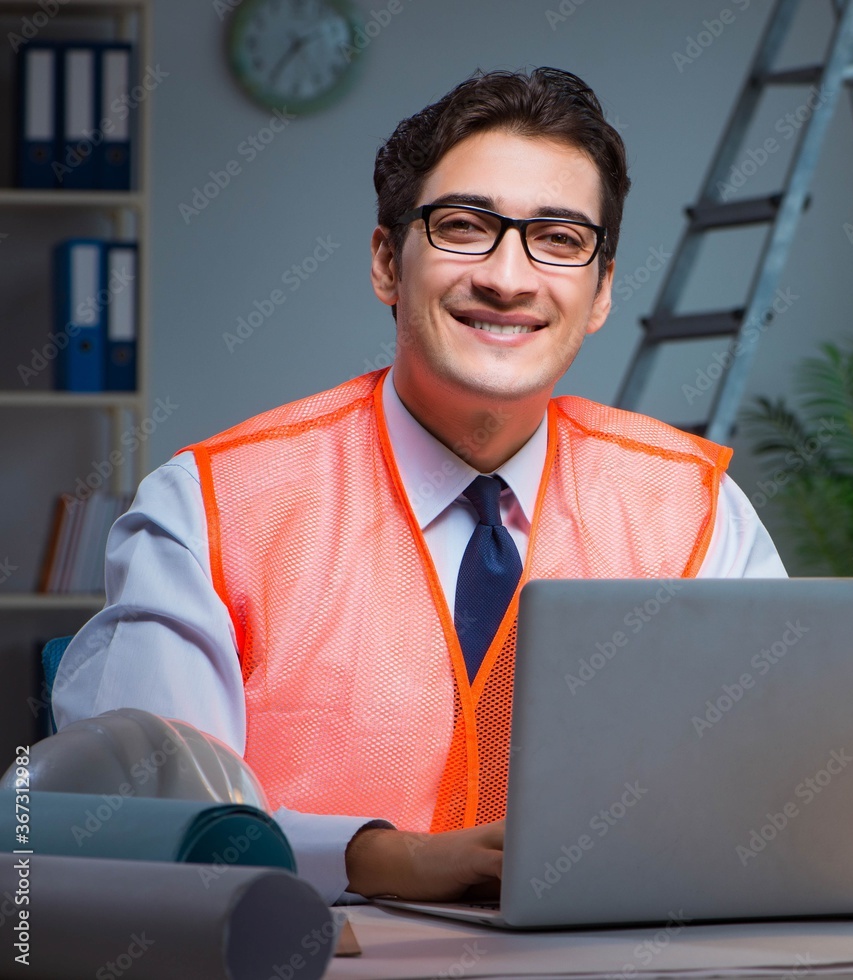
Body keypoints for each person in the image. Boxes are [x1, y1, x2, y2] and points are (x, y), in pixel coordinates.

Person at [54, 67, 785, 905]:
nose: (509, 277)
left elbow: (772, 785)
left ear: (600, 292)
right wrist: (380, 859)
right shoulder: (213, 507)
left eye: (558, 239)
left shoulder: (693, 506)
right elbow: (142, 824)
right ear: (385, 263)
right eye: (465, 227)